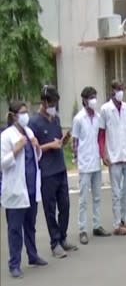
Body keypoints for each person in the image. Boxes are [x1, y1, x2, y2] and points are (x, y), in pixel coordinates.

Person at [30, 85, 77, 257]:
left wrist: (63, 141)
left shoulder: (55, 119)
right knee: (50, 208)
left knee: (65, 205)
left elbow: (58, 141)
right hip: (47, 171)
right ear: (43, 102)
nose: (54, 106)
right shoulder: (33, 122)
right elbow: (33, 149)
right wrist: (50, 145)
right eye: (52, 103)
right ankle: (54, 242)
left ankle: (63, 237)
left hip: (60, 167)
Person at [1, 101, 47, 278]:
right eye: (22, 112)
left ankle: (33, 256)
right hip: (15, 190)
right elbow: (2, 163)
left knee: (30, 225)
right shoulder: (6, 136)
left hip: (30, 187)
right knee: (15, 229)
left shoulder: (29, 132)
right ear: (13, 116)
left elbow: (36, 158)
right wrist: (16, 150)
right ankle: (14, 263)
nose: (26, 115)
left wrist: (36, 147)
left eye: (27, 112)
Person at [99, 80, 126, 235]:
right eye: (118, 89)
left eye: (122, 89)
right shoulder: (105, 109)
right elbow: (102, 134)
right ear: (112, 91)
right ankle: (117, 224)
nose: (120, 92)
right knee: (116, 193)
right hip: (114, 156)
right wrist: (103, 153)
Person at [72, 86, 111, 245]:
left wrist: (103, 155)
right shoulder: (78, 119)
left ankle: (96, 225)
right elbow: (75, 141)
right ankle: (82, 229)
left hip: (96, 161)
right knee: (83, 199)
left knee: (97, 196)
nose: (94, 100)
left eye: (95, 96)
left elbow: (100, 138)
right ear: (84, 100)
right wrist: (76, 159)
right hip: (84, 162)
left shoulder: (98, 117)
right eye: (91, 97)